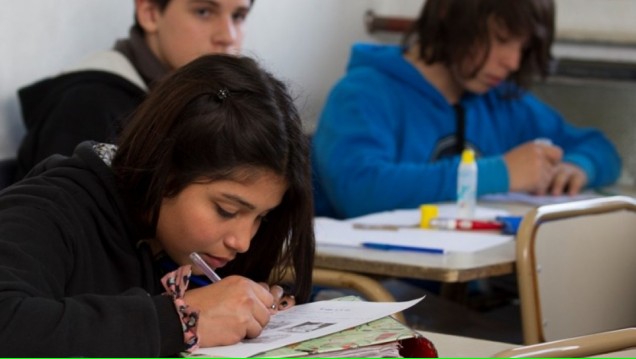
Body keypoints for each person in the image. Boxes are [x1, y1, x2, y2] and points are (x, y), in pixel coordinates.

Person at [0, 54, 315, 356]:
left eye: (262, 217)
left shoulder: (188, 243)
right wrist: (180, 320)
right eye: (226, 210)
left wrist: (257, 305)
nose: (243, 242)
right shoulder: (53, 207)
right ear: (164, 170)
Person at [311, 0, 621, 219]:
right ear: (450, 15)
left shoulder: (503, 100)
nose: (512, 62)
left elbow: (600, 148)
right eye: (501, 40)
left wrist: (579, 166)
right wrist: (501, 173)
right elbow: (360, 190)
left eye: (522, 48)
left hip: (470, 290)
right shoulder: (362, 93)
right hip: (375, 292)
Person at [14, 0, 253, 181]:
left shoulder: (205, 101)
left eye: (238, 16)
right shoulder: (88, 105)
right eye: (204, 11)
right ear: (149, 13)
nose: (228, 36)